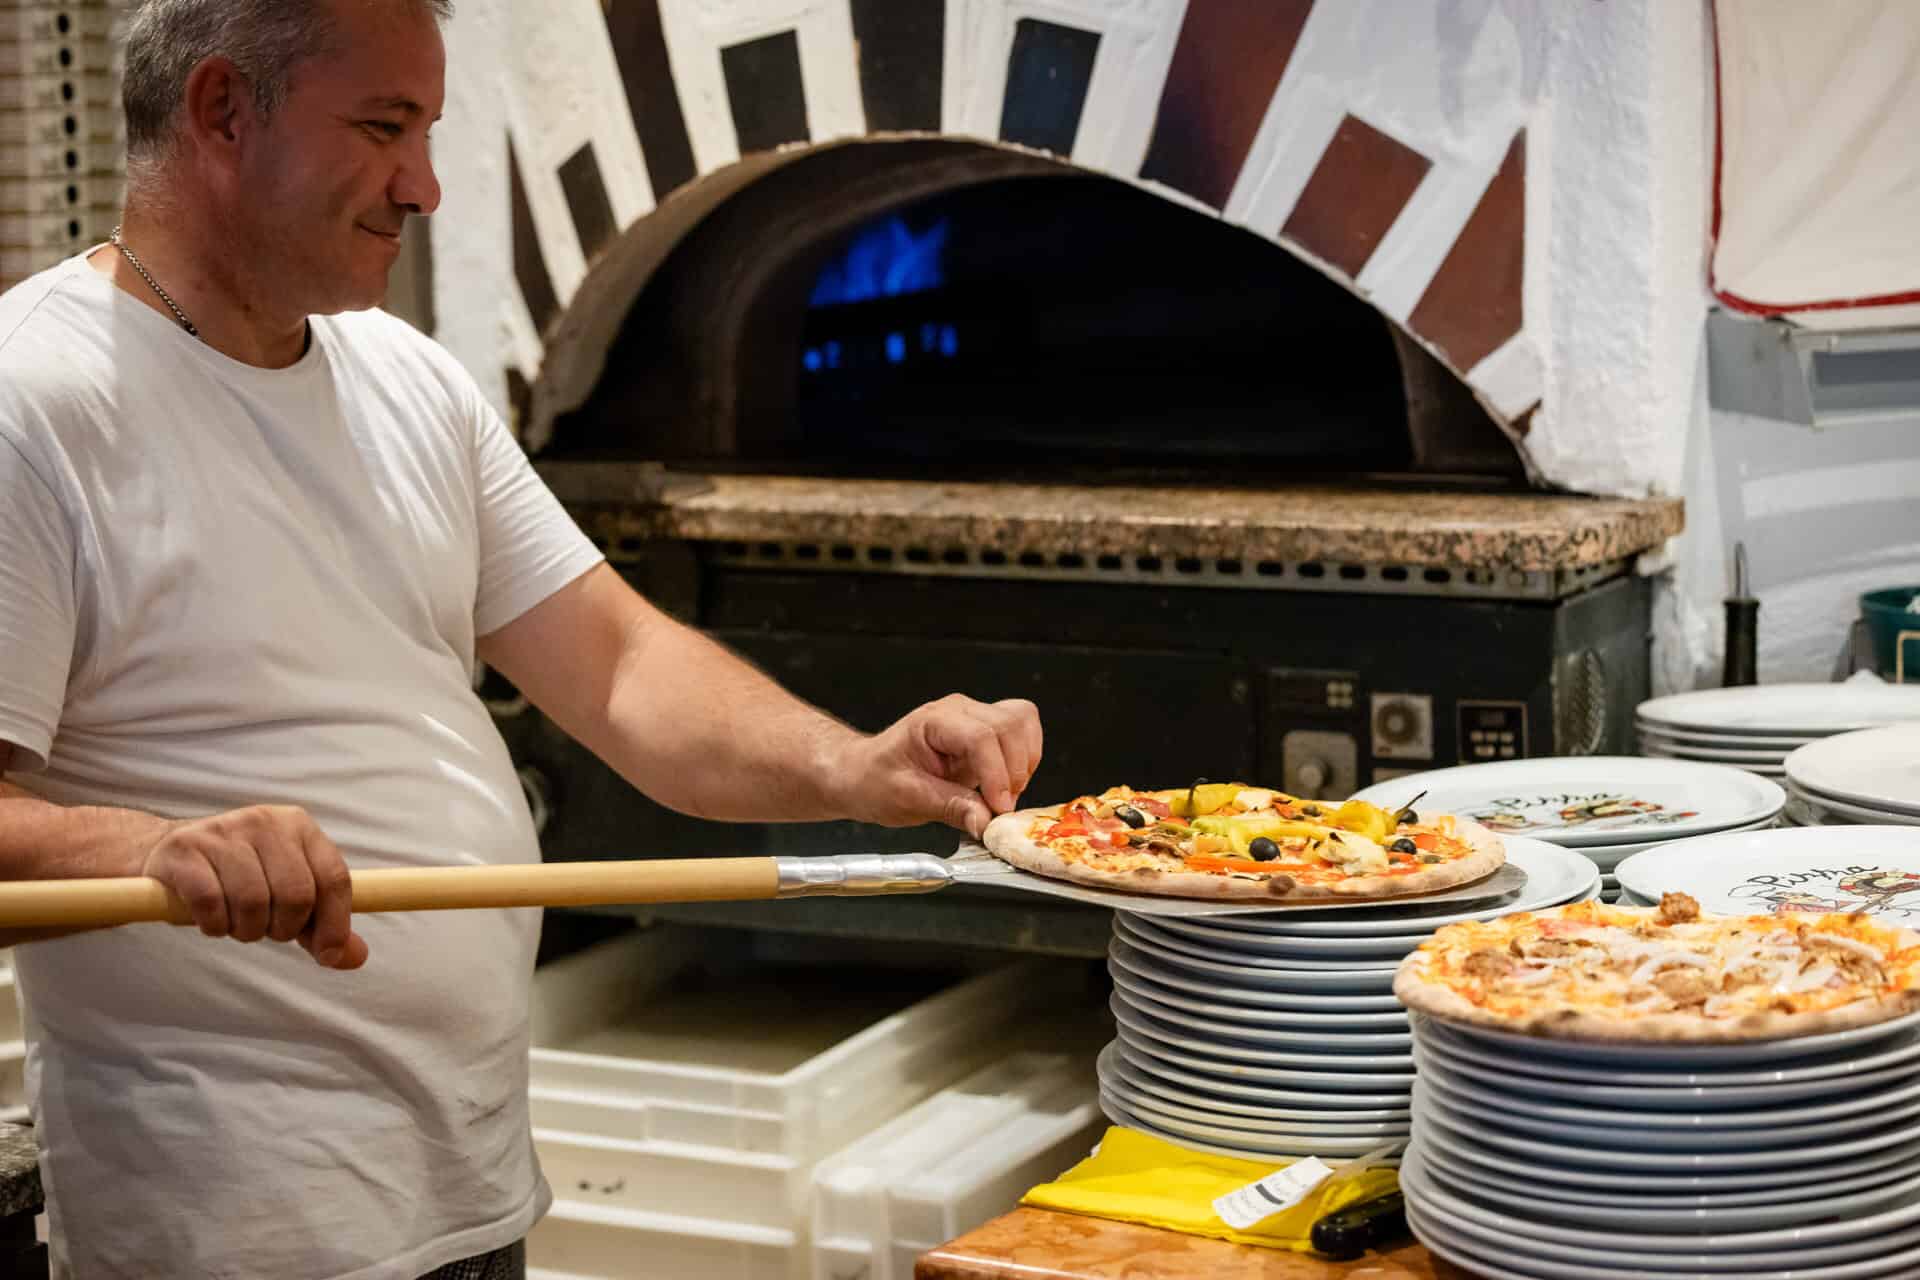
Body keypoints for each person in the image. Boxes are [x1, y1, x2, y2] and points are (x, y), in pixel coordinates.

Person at [0, 0, 1044, 1275]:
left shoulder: (408, 378)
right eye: (383, 127)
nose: (423, 185)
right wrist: (155, 848)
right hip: (236, 1233)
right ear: (223, 109)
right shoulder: (33, 403)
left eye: (429, 131)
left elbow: (622, 666)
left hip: (471, 1190)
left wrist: (857, 765)